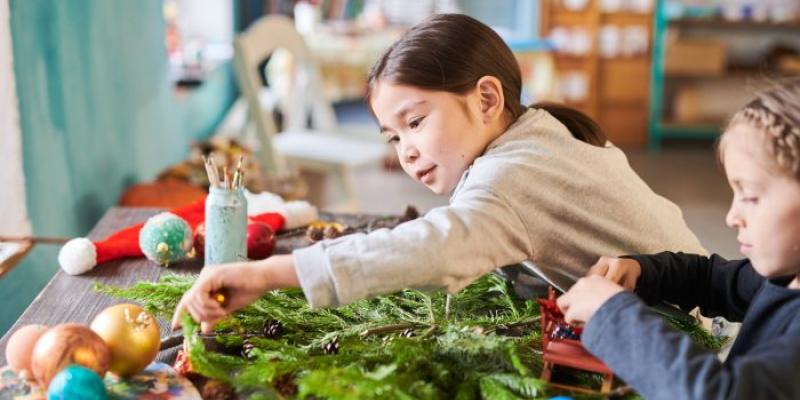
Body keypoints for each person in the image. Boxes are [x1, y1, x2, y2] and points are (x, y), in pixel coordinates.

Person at [172, 14, 704, 333]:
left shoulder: (512, 177)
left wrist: (268, 274)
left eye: (416, 122)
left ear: (487, 99)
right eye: (393, 137)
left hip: (688, 347)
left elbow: (434, 249)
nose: (406, 152)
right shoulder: (541, 130)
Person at [557, 80, 800, 399]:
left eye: (751, 197)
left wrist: (613, 315)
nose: (732, 217)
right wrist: (642, 271)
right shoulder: (785, 277)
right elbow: (710, 279)